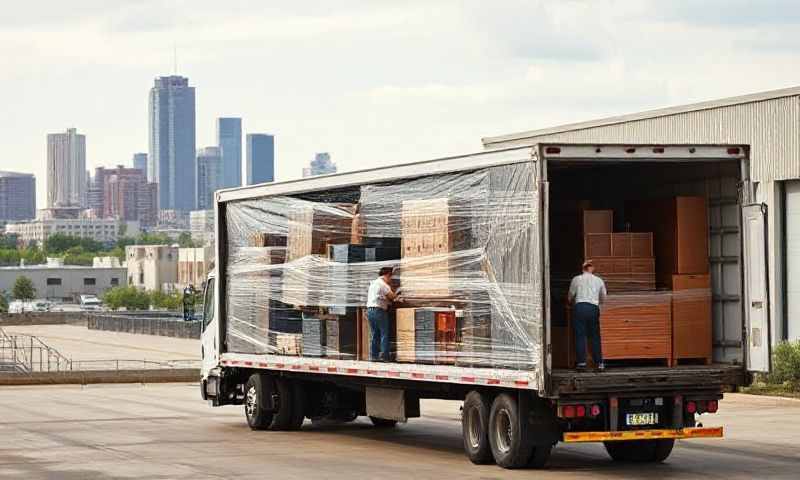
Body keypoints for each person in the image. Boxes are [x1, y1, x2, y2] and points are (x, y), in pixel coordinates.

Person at [568, 260, 607, 371]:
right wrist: (597, 303)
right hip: (593, 308)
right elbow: (604, 296)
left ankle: (581, 363)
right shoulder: (599, 280)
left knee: (580, 335)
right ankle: (599, 363)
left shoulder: (576, 279)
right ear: (592, 269)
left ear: (583, 268)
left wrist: (570, 302)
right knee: (595, 336)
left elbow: (570, 295)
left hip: (579, 307)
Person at [367, 266, 398, 361]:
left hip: (370, 310)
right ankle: (385, 356)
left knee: (375, 334)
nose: (391, 280)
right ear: (387, 275)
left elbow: (381, 297)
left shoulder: (373, 283)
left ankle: (374, 356)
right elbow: (392, 296)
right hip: (379, 311)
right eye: (391, 277)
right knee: (384, 333)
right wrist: (397, 292)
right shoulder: (383, 284)